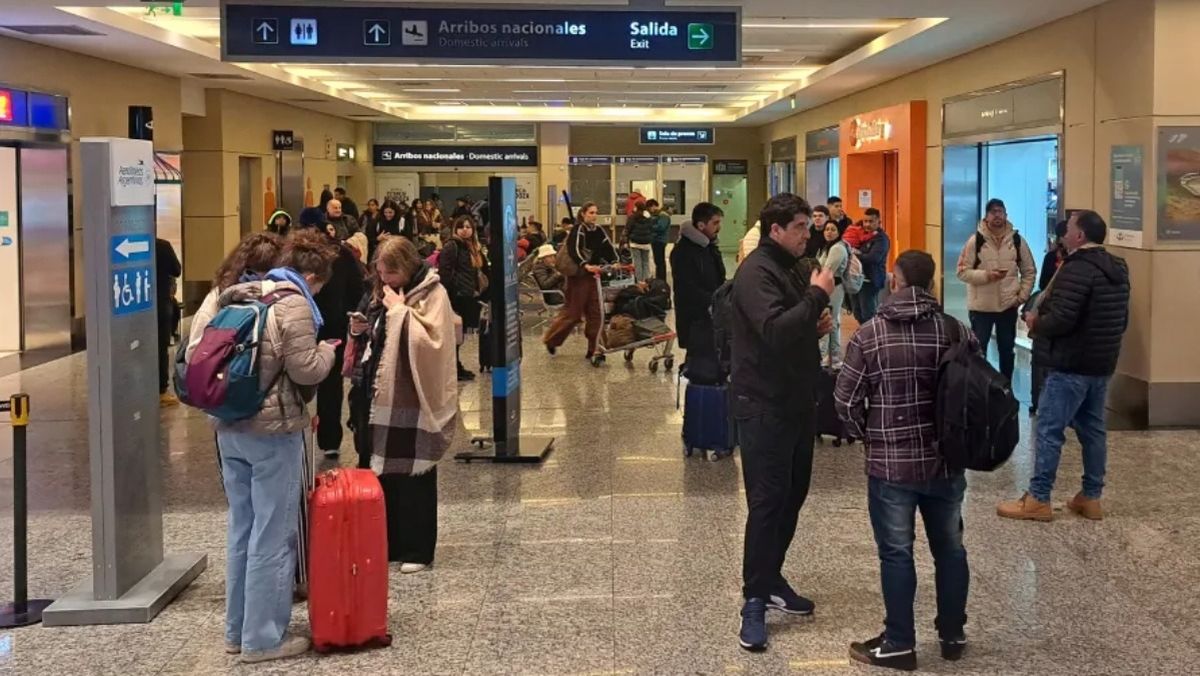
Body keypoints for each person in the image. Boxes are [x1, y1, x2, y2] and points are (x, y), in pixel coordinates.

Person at [193, 229, 338, 663]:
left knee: (242, 528)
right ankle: (263, 639)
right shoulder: (293, 303)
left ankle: (236, 630)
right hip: (272, 432)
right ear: (310, 276)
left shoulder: (239, 294)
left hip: (229, 425)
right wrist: (328, 351)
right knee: (273, 534)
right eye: (319, 285)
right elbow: (307, 370)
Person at [834, 250, 978, 672]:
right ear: (931, 284)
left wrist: (869, 435)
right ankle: (952, 633)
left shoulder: (870, 334)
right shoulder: (956, 331)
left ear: (894, 282)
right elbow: (975, 391)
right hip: (946, 462)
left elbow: (845, 401)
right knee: (950, 549)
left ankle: (899, 642)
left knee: (897, 553)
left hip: (890, 466)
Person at [731, 193, 835, 652]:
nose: (806, 234)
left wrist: (814, 321)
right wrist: (817, 295)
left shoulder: (792, 266)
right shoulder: (756, 272)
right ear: (775, 229)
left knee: (793, 494)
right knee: (768, 501)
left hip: (796, 399)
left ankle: (771, 577)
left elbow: (791, 325)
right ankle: (753, 599)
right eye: (798, 227)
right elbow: (773, 330)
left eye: (807, 227)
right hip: (763, 403)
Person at [998, 210, 1130, 522]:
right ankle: (1091, 496)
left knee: (1049, 429)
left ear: (1080, 236)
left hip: (1070, 363)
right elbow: (1121, 318)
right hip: (1101, 363)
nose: (1063, 233)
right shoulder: (1118, 268)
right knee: (1093, 429)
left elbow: (1062, 319)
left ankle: (1038, 498)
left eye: (1068, 228)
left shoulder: (1076, 269)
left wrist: (1035, 321)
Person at [348, 237, 458, 574]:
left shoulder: (433, 292)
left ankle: (417, 548)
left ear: (407, 267)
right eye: (380, 273)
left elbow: (433, 342)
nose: (385, 280)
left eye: (391, 273)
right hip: (376, 395)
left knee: (414, 473)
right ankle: (388, 542)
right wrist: (359, 328)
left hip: (413, 397)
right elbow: (375, 330)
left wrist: (399, 311)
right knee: (379, 473)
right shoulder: (380, 289)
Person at [298, 211, 367, 460]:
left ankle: (302, 438)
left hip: (302, 326)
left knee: (296, 382)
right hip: (331, 327)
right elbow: (358, 289)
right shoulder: (341, 254)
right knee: (330, 385)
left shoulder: (294, 256)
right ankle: (329, 438)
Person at [956, 198, 1037, 383]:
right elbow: (961, 272)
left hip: (1008, 306)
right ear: (986, 216)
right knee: (979, 351)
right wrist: (987, 276)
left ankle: (1005, 387)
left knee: (1007, 351)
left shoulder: (1017, 241)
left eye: (1000, 211)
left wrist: (1022, 297)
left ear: (1006, 215)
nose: (997, 215)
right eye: (993, 212)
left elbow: (1029, 271)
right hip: (981, 308)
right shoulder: (975, 241)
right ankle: (980, 387)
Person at [542, 202, 619, 360]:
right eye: (591, 213)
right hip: (578, 277)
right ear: (583, 214)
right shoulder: (578, 230)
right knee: (573, 313)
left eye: (595, 212)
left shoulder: (598, 230)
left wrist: (615, 261)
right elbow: (574, 250)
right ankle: (551, 340)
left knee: (596, 313)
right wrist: (584, 264)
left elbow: (607, 247)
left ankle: (595, 348)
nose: (594, 216)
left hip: (593, 276)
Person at [670, 202, 725, 354]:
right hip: (695, 317)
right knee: (698, 358)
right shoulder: (683, 252)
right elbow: (687, 288)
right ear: (701, 225)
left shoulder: (710, 247)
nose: (719, 227)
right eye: (715, 223)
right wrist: (713, 300)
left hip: (711, 314)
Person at [438, 216, 487, 382]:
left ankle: (455, 366)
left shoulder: (473, 247)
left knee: (460, 334)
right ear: (455, 229)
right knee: (455, 334)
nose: (465, 230)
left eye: (468, 227)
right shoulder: (452, 246)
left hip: (468, 296)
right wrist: (456, 290)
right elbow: (445, 273)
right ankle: (453, 367)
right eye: (461, 227)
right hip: (456, 297)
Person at [1029, 219, 1069, 414]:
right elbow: (1043, 285)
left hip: (1054, 320)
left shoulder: (1075, 264)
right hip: (1049, 318)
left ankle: (1043, 402)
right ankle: (1039, 400)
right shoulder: (1051, 258)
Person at [814, 216, 850, 367]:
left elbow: (827, 269)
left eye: (833, 230)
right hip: (827, 287)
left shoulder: (837, 248)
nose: (829, 232)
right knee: (829, 319)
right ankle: (827, 356)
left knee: (831, 321)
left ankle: (833, 358)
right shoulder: (826, 247)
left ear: (838, 232)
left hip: (834, 288)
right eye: (827, 229)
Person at [156, 238, 182, 407]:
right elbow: (176, 270)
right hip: (161, 302)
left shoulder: (134, 245)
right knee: (161, 347)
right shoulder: (162, 246)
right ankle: (161, 391)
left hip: (138, 303)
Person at [854, 208, 891, 324]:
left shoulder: (882, 239)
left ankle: (872, 334)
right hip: (857, 279)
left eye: (871, 221)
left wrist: (856, 254)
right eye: (865, 221)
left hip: (871, 280)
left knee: (868, 314)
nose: (867, 224)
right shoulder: (861, 235)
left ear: (879, 222)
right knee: (857, 311)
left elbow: (873, 258)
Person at [625, 199, 655, 282]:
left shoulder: (632, 217)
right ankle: (646, 281)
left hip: (635, 243)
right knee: (645, 262)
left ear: (636, 207)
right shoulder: (649, 217)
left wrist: (627, 240)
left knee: (637, 263)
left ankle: (639, 282)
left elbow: (628, 229)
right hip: (646, 243)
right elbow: (651, 229)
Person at [649, 199, 672, 280]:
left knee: (660, 261)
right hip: (657, 240)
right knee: (658, 261)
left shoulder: (663, 216)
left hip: (659, 240)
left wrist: (650, 227)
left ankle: (661, 279)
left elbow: (661, 227)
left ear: (653, 206)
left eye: (650, 208)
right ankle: (659, 278)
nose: (650, 210)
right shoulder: (659, 215)